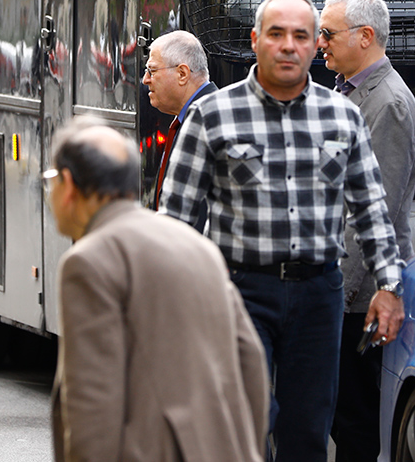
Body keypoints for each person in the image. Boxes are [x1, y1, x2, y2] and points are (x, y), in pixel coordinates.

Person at [159, 0, 404, 462]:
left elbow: (372, 209)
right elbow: (177, 222)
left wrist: (389, 285)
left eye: (301, 36)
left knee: (307, 434)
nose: (288, 46)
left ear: (314, 45)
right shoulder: (212, 118)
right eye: (276, 34)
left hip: (319, 296)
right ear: (255, 41)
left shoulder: (343, 117)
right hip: (239, 291)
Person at [46, 118, 268, 462]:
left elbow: (93, 402)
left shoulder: (88, 262)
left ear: (69, 185)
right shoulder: (198, 247)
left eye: (50, 180)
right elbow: (251, 363)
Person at [317, 0, 415, 462]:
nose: (320, 43)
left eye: (327, 33)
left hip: (357, 297)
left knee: (354, 422)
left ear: (364, 37)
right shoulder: (353, 95)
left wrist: (334, 296)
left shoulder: (388, 106)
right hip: (345, 290)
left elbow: (372, 208)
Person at [142, 31, 216, 211]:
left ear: (182, 73)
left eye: (152, 71)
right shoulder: (196, 117)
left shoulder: (212, 121)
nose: (145, 80)